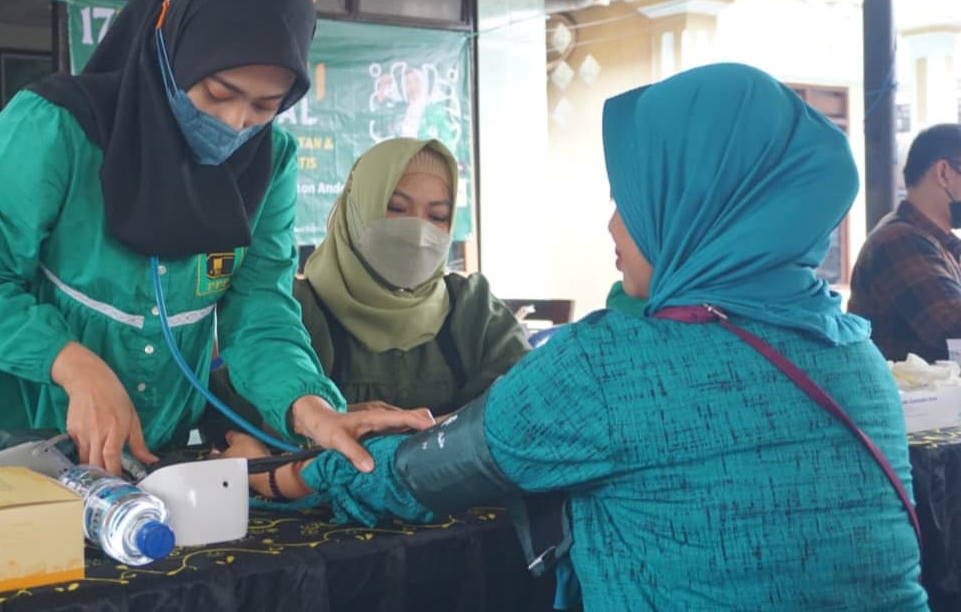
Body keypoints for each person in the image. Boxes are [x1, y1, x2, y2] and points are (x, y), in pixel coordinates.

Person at [224, 64, 927, 610]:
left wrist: (275, 477)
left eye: (635, 200)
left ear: (692, 209)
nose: (613, 227)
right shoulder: (855, 354)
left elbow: (410, 479)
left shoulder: (611, 365)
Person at [0, 0, 432, 476]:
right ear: (172, 46)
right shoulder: (56, 128)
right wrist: (72, 364)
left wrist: (311, 408)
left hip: (146, 458)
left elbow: (259, 313)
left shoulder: (270, 160)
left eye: (264, 105)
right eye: (217, 92)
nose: (236, 123)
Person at [206, 138, 529, 434]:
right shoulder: (291, 315)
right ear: (356, 208)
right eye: (397, 208)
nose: (417, 231)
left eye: (437, 216)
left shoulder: (474, 309)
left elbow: (527, 402)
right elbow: (231, 424)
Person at [849, 123, 961, 363]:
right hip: (916, 399)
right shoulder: (900, 240)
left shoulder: (941, 243)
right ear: (943, 173)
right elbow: (952, 328)